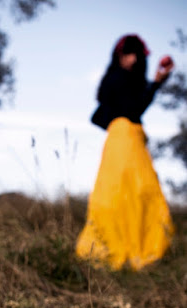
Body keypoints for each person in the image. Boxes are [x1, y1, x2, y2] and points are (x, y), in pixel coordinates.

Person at [76, 34, 175, 270]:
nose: (133, 59)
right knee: (122, 192)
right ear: (119, 55)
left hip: (129, 139)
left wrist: (154, 84)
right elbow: (134, 108)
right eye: (129, 54)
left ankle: (137, 248)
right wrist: (156, 84)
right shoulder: (118, 79)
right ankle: (119, 248)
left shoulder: (122, 80)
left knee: (139, 191)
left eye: (136, 56)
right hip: (123, 139)